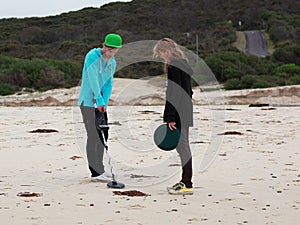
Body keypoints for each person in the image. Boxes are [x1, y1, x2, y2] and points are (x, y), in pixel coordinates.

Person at [78, 33, 122, 182]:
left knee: (103, 136)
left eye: (114, 51)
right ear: (104, 46)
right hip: (88, 103)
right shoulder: (92, 56)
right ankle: (95, 173)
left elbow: (109, 83)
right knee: (93, 136)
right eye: (109, 50)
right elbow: (93, 78)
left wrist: (104, 102)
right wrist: (98, 98)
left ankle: (101, 169)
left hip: (101, 103)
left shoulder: (112, 62)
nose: (111, 53)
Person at [153, 38, 194, 195]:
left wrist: (170, 117)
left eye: (161, 53)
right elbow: (189, 92)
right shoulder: (183, 64)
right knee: (182, 146)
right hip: (185, 110)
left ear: (167, 51)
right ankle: (185, 181)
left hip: (178, 112)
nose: (162, 57)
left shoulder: (175, 66)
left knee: (183, 147)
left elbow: (174, 93)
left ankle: (187, 183)